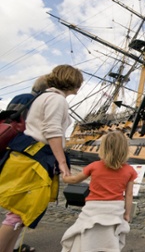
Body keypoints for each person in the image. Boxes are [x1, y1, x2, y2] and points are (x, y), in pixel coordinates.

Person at [0, 65, 83, 252]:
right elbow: (52, 131)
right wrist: (62, 163)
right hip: (34, 160)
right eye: (79, 82)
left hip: (26, 156)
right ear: (72, 81)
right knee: (19, 214)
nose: (80, 86)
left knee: (18, 214)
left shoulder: (42, 97)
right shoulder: (57, 100)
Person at [60, 131, 137, 251]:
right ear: (125, 149)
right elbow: (129, 195)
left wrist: (65, 177)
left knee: (86, 232)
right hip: (114, 209)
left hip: (93, 208)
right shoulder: (130, 171)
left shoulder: (94, 166)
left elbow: (74, 179)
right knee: (110, 236)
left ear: (103, 148)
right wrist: (127, 214)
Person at [4, 76, 48, 252]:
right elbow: (29, 128)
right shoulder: (34, 102)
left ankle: (13, 245)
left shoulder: (20, 98)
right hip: (24, 153)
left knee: (16, 207)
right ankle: (10, 245)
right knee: (20, 206)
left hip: (11, 149)